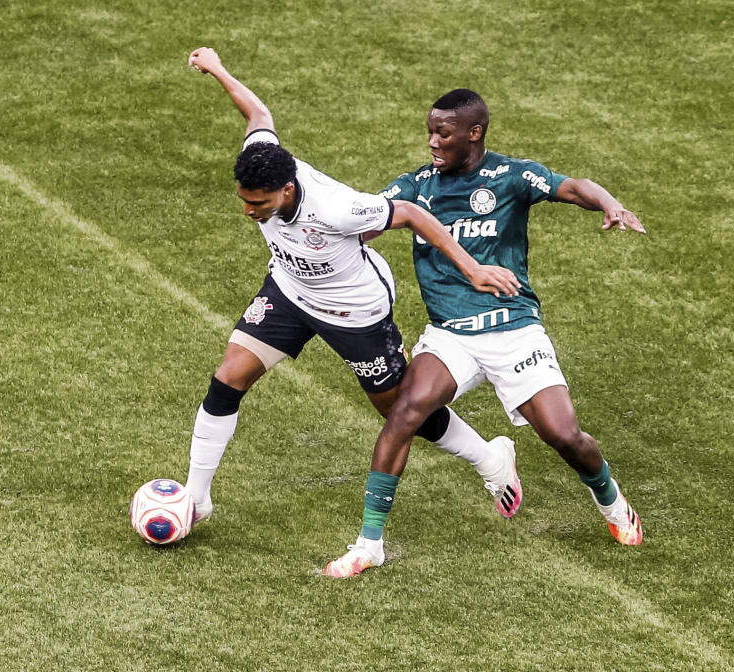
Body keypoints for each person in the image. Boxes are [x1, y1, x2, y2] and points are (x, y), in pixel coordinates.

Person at [184, 50, 525, 527]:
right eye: (244, 201)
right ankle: (197, 499)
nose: (248, 212)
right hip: (289, 291)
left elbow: (410, 214)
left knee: (401, 411)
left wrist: (472, 269)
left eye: (257, 204)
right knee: (228, 379)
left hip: (355, 312)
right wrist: (218, 69)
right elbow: (259, 115)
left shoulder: (336, 208)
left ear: (285, 189)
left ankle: (490, 458)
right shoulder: (259, 164)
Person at [325, 88, 646, 578]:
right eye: (430, 131)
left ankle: (611, 502)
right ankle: (369, 543)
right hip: (451, 334)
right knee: (404, 413)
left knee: (565, 436)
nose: (432, 141)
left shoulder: (511, 175)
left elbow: (573, 186)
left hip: (514, 328)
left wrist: (610, 203)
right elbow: (365, 217)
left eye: (443, 133)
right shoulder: (416, 186)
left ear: (473, 134)